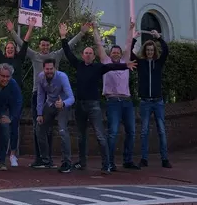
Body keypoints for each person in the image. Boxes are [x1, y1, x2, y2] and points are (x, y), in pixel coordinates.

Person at [9, 21, 90, 168]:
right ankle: (40, 158)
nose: (45, 47)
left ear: (50, 46)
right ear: (39, 46)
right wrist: (12, 31)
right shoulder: (34, 55)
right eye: (43, 45)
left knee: (52, 129)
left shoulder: (56, 55)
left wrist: (82, 33)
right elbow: (22, 43)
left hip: (54, 97)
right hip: (38, 94)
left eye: (47, 45)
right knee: (37, 126)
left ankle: (49, 159)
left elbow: (69, 45)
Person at [59, 23, 137, 174]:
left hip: (94, 105)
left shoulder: (98, 67)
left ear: (94, 57)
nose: (88, 55)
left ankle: (106, 164)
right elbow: (68, 53)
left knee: (100, 135)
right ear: (82, 55)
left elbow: (112, 67)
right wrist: (63, 37)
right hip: (80, 105)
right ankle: (82, 162)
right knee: (81, 136)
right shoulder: (79, 65)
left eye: (90, 53)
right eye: (85, 53)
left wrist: (126, 65)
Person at [0, 16, 34, 167]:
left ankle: (13, 155)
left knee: (14, 127)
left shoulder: (19, 59)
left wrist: (31, 27)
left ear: (15, 50)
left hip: (14, 99)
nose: (10, 49)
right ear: (6, 51)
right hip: (2, 98)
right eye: (8, 48)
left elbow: (25, 43)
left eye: (12, 48)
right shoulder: (1, 61)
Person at [93, 20, 139, 171]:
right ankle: (110, 162)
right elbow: (99, 45)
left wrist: (130, 29)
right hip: (112, 101)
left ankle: (128, 160)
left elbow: (128, 45)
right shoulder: (105, 61)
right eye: (113, 52)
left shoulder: (126, 61)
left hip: (127, 102)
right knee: (112, 133)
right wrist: (94, 29)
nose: (116, 54)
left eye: (118, 53)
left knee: (131, 131)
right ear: (110, 54)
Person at [130, 29, 171, 168]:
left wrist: (159, 37)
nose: (149, 52)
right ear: (145, 51)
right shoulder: (140, 63)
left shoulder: (159, 63)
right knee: (144, 131)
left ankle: (165, 159)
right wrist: (134, 38)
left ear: (154, 51)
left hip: (158, 101)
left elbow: (166, 50)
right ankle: (144, 158)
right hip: (145, 102)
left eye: (151, 50)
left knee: (161, 130)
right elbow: (130, 53)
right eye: (147, 50)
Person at [31, 59, 75, 173]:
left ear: (55, 68)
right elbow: (40, 96)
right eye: (47, 69)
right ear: (43, 69)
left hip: (63, 104)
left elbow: (71, 97)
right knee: (39, 127)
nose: (49, 71)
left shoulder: (62, 77)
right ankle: (46, 160)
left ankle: (67, 162)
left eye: (51, 69)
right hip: (50, 103)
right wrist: (39, 113)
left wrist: (63, 103)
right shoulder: (40, 77)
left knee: (62, 130)